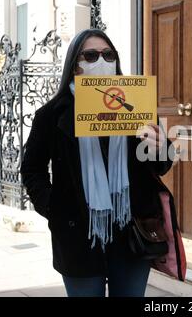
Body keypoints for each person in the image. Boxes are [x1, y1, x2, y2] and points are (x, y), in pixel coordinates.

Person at [20, 29, 173, 297]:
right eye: (90, 55)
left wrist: (161, 148)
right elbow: (32, 169)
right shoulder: (51, 115)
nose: (101, 61)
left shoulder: (136, 105)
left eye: (108, 55)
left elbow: (160, 166)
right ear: (75, 65)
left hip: (132, 232)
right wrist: (53, 209)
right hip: (78, 236)